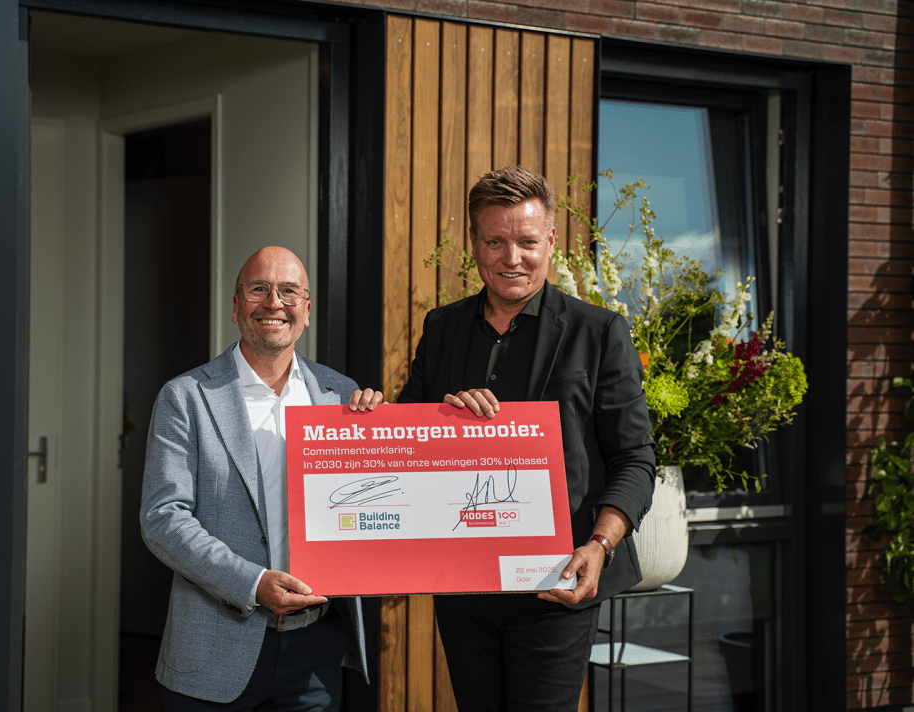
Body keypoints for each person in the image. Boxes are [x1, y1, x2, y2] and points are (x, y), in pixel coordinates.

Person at [398, 167, 655, 711]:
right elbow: (405, 437)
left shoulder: (599, 332)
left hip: (556, 582)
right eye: (495, 241)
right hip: (463, 584)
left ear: (551, 241)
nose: (512, 257)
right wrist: (435, 416)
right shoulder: (441, 327)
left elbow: (635, 458)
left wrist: (600, 545)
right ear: (475, 244)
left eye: (527, 242)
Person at [140, 246, 382, 711]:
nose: (274, 303)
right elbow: (162, 518)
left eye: (289, 291)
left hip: (316, 650)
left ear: (306, 311)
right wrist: (252, 583)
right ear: (236, 307)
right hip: (214, 648)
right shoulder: (186, 397)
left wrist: (381, 434)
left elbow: (372, 503)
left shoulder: (343, 397)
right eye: (259, 290)